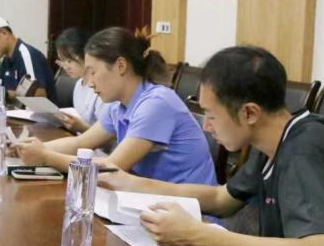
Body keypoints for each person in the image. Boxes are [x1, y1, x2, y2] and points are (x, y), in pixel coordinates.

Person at [101, 46, 324, 246]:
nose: (206, 125)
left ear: (250, 113)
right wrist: (131, 183)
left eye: (211, 115)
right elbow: (223, 199)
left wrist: (197, 234)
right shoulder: (276, 139)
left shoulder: (303, 151)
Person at [16, 27, 216, 185]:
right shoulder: (119, 106)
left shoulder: (156, 104)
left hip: (189, 211)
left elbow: (111, 167)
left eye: (93, 72)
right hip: (151, 201)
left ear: (121, 66)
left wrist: (46, 156)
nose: (90, 82)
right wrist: (28, 148)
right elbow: (81, 143)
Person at [0, 16, 55, 102]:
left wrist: (1, 92)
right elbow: (4, 89)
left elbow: (39, 97)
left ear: (4, 33)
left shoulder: (26, 55)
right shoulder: (6, 60)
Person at [54, 27, 106, 134]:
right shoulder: (78, 84)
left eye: (70, 61)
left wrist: (82, 128)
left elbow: (109, 136)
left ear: (86, 55)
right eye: (63, 61)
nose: (66, 67)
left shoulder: (102, 88)